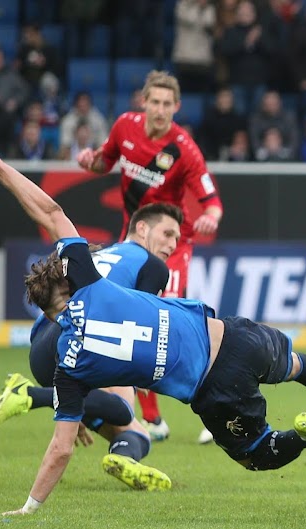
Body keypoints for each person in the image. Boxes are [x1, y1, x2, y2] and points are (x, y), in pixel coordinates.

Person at [0, 143, 306, 516]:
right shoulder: (90, 279)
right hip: (232, 337)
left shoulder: (68, 366)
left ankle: (304, 433)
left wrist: (29, 506)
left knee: (257, 454)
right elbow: (51, 211)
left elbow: (61, 449)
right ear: (70, 278)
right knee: (295, 364)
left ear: (49, 315)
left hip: (213, 390)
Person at [0, 201, 182, 491]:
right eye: (167, 234)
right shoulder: (152, 266)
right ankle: (30, 395)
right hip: (80, 337)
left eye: (177, 238)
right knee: (122, 410)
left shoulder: (99, 253)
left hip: (42, 346)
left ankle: (123, 457)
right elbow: (140, 322)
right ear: (141, 228)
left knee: (135, 433)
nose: (173, 244)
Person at [78, 70, 224, 443]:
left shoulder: (184, 148)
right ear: (143, 102)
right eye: (154, 102)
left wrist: (210, 216)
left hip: (170, 245)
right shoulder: (124, 127)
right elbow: (104, 161)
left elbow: (211, 200)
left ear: (177, 107)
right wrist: (90, 159)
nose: (160, 110)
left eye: (167, 104)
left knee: (172, 321)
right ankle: (152, 418)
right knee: (125, 321)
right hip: (132, 243)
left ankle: (217, 409)